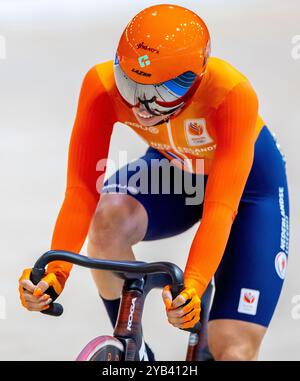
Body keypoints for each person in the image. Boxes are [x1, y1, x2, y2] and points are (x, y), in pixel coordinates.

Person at [19, 4, 289, 361]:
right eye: (130, 85)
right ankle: (138, 354)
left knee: (233, 351)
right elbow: (82, 190)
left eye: (161, 93)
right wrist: (55, 274)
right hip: (173, 169)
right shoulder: (101, 86)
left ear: (197, 78)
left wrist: (192, 283)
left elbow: (222, 208)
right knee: (107, 221)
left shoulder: (232, 94)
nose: (142, 107)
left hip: (250, 192)